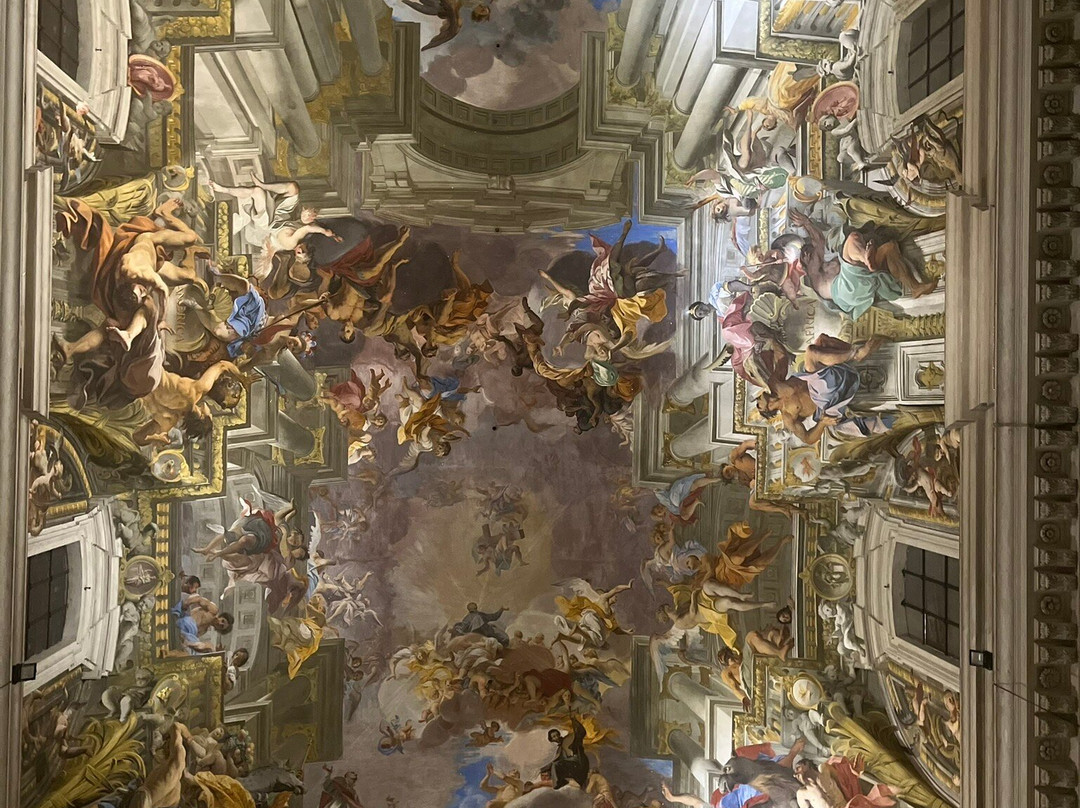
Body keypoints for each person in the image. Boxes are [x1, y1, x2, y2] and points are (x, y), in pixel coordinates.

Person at [756, 334, 893, 444]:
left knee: (822, 340)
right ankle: (856, 354)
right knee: (811, 353)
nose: (758, 399)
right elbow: (808, 439)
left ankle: (852, 351)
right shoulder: (787, 416)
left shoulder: (774, 383)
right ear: (768, 409)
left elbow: (781, 357)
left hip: (820, 379)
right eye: (758, 405)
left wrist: (772, 339)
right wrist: (822, 423)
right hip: (824, 399)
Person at [541, 714, 590, 788]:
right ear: (552, 740)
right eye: (554, 737)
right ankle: (561, 783)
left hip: (578, 764)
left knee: (556, 765)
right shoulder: (559, 750)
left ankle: (557, 785)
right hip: (570, 767)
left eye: (557, 735)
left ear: (559, 734)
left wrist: (574, 720)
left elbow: (581, 732)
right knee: (554, 766)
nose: (557, 737)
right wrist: (542, 769)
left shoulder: (569, 739)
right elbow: (555, 761)